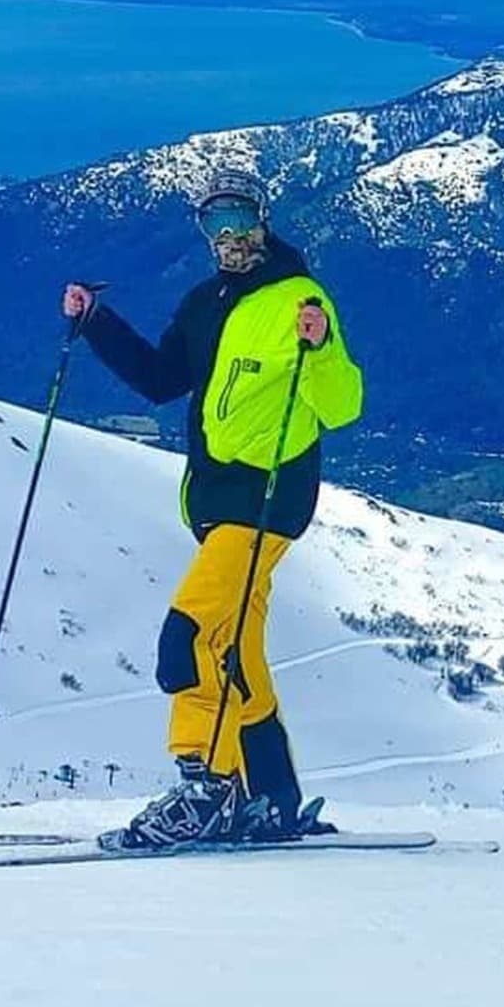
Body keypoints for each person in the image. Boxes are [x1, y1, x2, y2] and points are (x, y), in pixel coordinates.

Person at [63, 165, 364, 849]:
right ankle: (271, 797)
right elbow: (161, 379)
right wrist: (95, 323)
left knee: (188, 637)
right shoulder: (206, 302)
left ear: (263, 217)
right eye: (213, 220)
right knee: (232, 651)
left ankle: (208, 787)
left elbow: (342, 404)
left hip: (265, 502)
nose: (228, 232)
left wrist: (317, 346)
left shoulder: (300, 298)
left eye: (238, 216)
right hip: (215, 504)